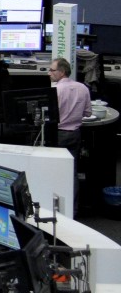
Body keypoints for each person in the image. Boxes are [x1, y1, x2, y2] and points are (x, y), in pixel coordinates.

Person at [49, 57, 91, 214]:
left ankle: (56, 210)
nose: (49, 73)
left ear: (62, 72)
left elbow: (51, 116)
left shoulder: (56, 91)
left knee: (54, 171)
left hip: (58, 135)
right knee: (71, 172)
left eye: (52, 70)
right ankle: (72, 210)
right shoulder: (83, 88)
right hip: (75, 134)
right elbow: (88, 113)